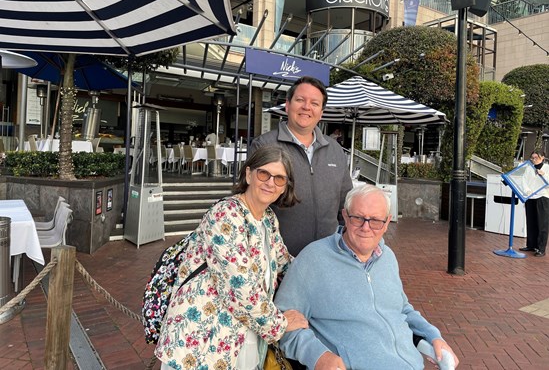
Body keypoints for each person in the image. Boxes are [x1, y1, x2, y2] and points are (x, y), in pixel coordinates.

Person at [274, 184, 460, 370]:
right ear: (345, 216)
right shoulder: (313, 259)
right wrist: (318, 356)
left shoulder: (387, 258)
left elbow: (402, 309)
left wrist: (433, 335)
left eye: (376, 221)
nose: (366, 227)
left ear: (387, 223)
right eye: (358, 218)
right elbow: (285, 324)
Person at [155, 145, 308, 369]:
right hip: (202, 342)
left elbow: (285, 264)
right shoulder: (226, 215)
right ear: (248, 174)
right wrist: (281, 324)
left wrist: (322, 274)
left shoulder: (267, 219)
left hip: (239, 338)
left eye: (279, 178)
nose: (270, 183)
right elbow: (240, 290)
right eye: (263, 173)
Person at [249, 76, 353, 255]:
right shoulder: (264, 146)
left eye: (314, 103)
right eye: (300, 100)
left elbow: (345, 205)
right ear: (287, 105)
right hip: (278, 260)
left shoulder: (335, 150)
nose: (307, 107)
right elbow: (249, 205)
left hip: (328, 256)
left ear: (321, 112)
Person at [520, 150, 549, 257]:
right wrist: (527, 190)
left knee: (542, 224)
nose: (533, 160)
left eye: (536, 158)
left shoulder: (547, 168)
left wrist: (544, 175)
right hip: (531, 196)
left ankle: (541, 248)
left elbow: (548, 183)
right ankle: (531, 245)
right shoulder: (529, 168)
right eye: (532, 158)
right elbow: (524, 180)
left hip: (542, 197)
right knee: (531, 221)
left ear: (542, 158)